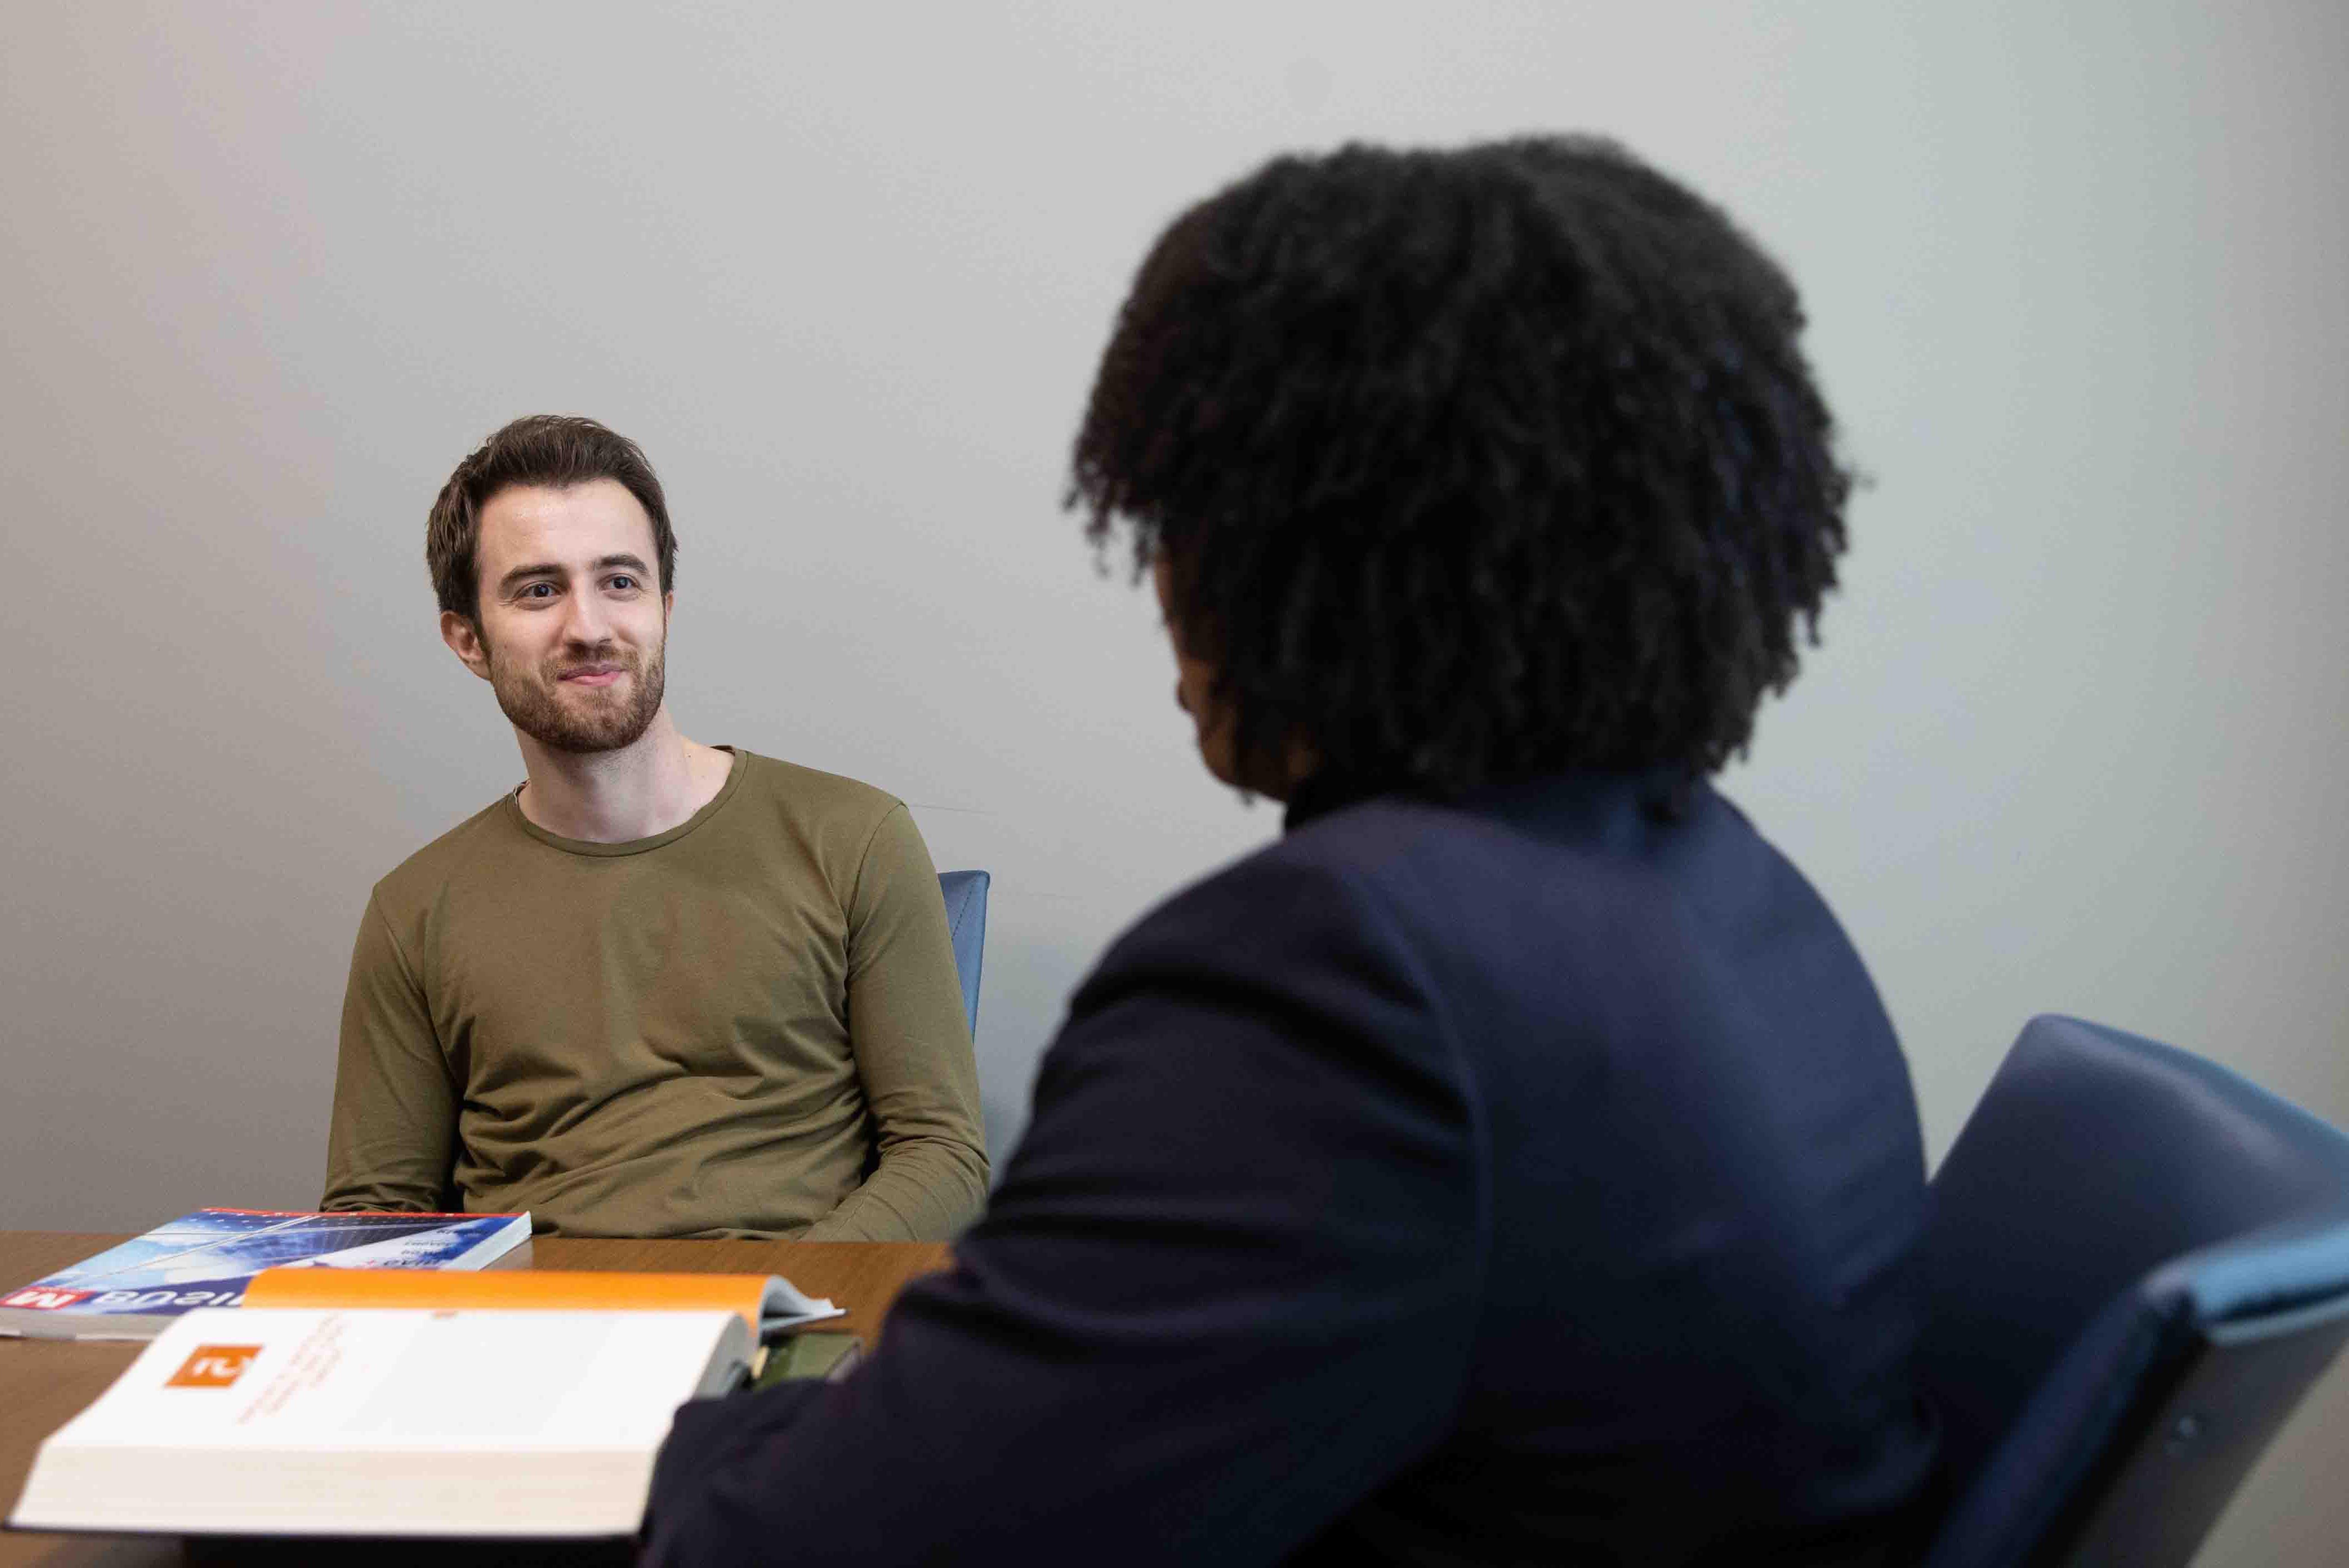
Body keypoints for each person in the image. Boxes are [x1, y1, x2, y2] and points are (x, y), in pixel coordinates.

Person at [644, 138, 1942, 1565]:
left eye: (1179, 521)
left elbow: (822, 1552)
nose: (1159, 581)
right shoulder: (1733, 895)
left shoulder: (1338, 981)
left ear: (1297, 557)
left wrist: (666, 1432)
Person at [320, 415, 987, 1242]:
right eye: (538, 589)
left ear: (665, 607)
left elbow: (942, 1155)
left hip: (795, 1329)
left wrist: (762, 1305)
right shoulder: (414, 910)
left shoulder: (857, 836)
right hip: (535, 1343)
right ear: (468, 640)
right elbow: (374, 1217)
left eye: (620, 582)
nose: (589, 626)